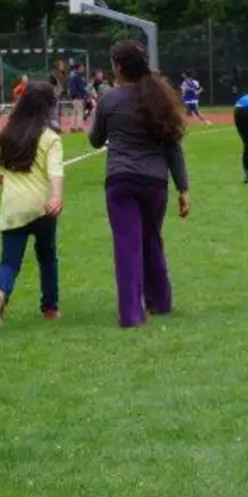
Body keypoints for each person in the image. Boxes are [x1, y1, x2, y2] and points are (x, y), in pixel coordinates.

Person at [88, 41, 192, 328]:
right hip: (155, 182)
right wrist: (183, 189)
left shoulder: (109, 99)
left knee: (127, 245)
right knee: (151, 239)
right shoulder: (159, 99)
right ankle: (160, 300)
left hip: (121, 180)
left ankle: (131, 312)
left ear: (119, 67)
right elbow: (173, 147)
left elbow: (95, 139)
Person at [0, 82, 66, 331]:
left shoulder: (8, 135)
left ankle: (0, 292)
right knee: (47, 256)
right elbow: (56, 173)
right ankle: (50, 307)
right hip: (42, 208)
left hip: (13, 208)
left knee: (9, 261)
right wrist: (57, 197)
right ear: (48, 108)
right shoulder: (50, 139)